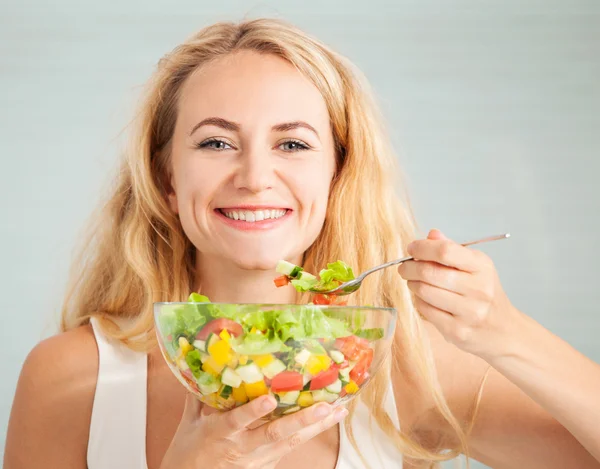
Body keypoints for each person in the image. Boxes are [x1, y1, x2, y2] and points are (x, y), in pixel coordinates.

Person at [4, 17, 600, 469]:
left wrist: (505, 334)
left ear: (338, 175)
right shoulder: (72, 377)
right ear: (165, 179)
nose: (255, 176)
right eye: (215, 143)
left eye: (292, 144)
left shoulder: (404, 371)